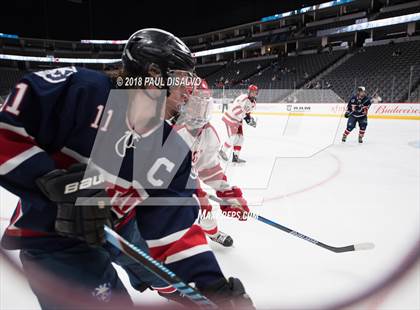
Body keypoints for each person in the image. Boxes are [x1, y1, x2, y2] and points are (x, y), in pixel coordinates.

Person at [0, 28, 254, 309]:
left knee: (172, 278)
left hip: (122, 225)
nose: (187, 93)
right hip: (58, 237)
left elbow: (174, 228)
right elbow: (6, 132)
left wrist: (213, 285)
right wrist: (48, 180)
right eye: (182, 80)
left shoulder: (170, 146)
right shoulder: (83, 92)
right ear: (154, 75)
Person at [171, 79, 250, 247]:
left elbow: (209, 168)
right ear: (182, 104)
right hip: (155, 190)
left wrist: (227, 193)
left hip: (181, 181)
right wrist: (196, 193)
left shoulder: (208, 133)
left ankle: (212, 233)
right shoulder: (170, 132)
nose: (201, 109)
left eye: (205, 102)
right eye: (196, 103)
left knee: (202, 207)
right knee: (200, 206)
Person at [219, 84, 258, 163]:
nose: (253, 93)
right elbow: (235, 109)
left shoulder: (253, 103)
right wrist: (247, 118)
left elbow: (247, 114)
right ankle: (222, 151)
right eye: (252, 92)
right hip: (231, 118)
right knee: (233, 137)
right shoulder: (243, 98)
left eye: (255, 92)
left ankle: (235, 157)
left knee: (240, 138)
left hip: (238, 120)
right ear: (249, 91)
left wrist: (250, 120)